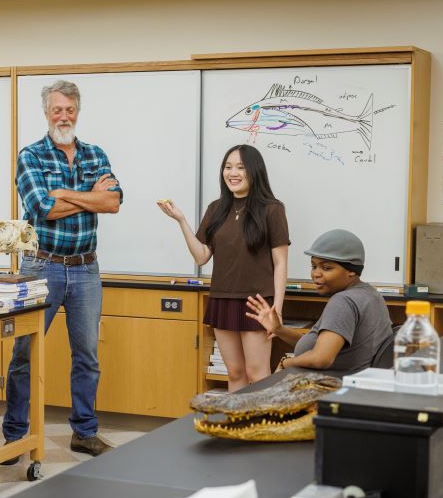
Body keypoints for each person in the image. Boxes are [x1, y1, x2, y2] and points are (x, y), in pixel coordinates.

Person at [3, 79, 122, 459]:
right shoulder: (31, 156)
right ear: (46, 112)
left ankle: (84, 433)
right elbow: (42, 209)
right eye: (57, 109)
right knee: (24, 354)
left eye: (70, 109)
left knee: (87, 355)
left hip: (86, 269)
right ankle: (14, 436)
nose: (64, 116)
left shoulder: (95, 154)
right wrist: (91, 198)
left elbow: (114, 202)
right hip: (42, 267)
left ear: (78, 111)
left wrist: (65, 194)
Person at [158, 144, 289, 391]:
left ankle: (260, 429)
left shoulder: (272, 209)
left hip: (257, 303)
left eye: (240, 167)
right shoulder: (216, 209)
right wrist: (181, 220)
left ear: (254, 171)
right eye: (228, 167)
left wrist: (277, 310)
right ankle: (237, 428)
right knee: (235, 372)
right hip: (222, 298)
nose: (233, 172)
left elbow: (281, 262)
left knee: (257, 373)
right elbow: (201, 256)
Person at [245, 229, 393, 371]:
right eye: (313, 266)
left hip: (330, 388)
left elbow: (321, 358)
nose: (316, 274)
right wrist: (279, 330)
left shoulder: (343, 302)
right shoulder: (370, 295)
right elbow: (318, 347)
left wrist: (286, 362)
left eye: (326, 268)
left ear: (352, 270)